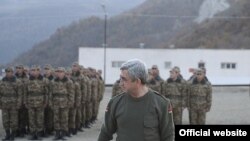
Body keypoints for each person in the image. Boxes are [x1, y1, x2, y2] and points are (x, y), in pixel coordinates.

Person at [98, 59, 174, 141]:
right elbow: (105, 134)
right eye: (120, 78)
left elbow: (168, 137)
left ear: (137, 81)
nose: (120, 83)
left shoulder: (161, 103)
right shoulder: (115, 102)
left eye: (124, 79)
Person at [0, 67, 22, 140]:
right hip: (4, 104)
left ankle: (12, 135)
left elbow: (19, 94)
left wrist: (18, 103)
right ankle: (7, 135)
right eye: (7, 72)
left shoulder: (17, 81)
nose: (8, 73)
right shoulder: (2, 81)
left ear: (12, 72)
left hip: (14, 104)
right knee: (5, 120)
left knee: (14, 120)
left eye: (10, 71)